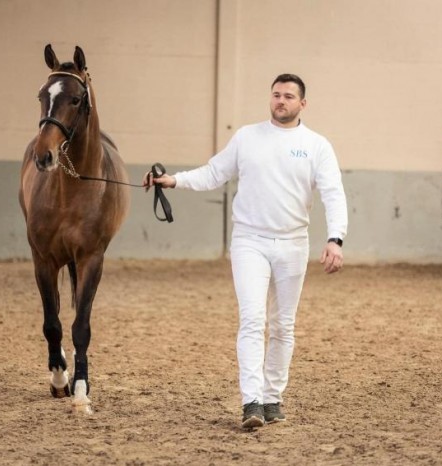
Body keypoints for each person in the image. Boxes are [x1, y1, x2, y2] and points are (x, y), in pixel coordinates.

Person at [144, 74, 348, 428]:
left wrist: (336, 238)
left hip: (293, 244)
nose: (280, 101)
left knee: (283, 325)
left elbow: (333, 193)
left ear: (303, 103)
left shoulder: (316, 145)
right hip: (249, 241)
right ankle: (251, 401)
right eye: (275, 95)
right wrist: (174, 179)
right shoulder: (247, 137)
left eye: (288, 96)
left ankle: (273, 398)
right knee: (253, 320)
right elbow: (213, 173)